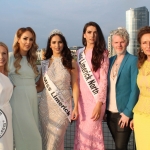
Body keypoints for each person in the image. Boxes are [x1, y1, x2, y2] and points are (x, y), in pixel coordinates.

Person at [36, 29, 79, 150]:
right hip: (46, 107)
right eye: (54, 42)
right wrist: (22, 87)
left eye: (60, 42)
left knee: (55, 140)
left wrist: (76, 107)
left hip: (63, 107)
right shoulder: (44, 63)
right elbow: (40, 86)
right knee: (49, 141)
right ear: (50, 45)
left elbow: (75, 86)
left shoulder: (71, 62)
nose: (57, 45)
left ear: (64, 44)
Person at [74, 21, 109, 150]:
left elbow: (104, 81)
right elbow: (77, 79)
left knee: (91, 133)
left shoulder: (103, 53)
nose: (92, 35)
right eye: (89, 32)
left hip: (96, 100)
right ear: (84, 35)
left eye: (95, 32)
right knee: (81, 134)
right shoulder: (79, 53)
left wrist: (99, 104)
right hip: (82, 101)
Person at [8, 27, 42, 150]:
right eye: (25, 38)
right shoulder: (10, 57)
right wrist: (10, 86)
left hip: (32, 100)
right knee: (31, 136)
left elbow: (38, 86)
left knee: (31, 134)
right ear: (18, 39)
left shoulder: (32, 59)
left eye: (31, 39)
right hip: (18, 101)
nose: (28, 42)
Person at [106, 27, 139, 150]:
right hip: (110, 113)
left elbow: (134, 89)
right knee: (118, 145)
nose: (119, 45)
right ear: (112, 43)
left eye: (122, 41)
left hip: (123, 113)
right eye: (116, 42)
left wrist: (127, 113)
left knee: (120, 146)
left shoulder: (133, 61)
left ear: (127, 42)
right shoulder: (110, 61)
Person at [130, 26, 150, 150]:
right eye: (144, 42)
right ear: (141, 46)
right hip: (140, 116)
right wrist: (133, 117)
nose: (148, 45)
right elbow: (140, 92)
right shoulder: (141, 64)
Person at [0, 42, 13, 150]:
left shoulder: (7, 73)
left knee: (7, 144)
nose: (1, 57)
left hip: (7, 113)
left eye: (4, 53)